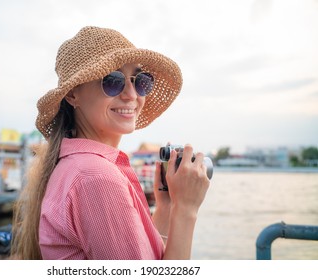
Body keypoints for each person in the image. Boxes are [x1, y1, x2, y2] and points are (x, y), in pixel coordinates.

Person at [11, 26, 210, 260]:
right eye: (113, 80)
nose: (131, 95)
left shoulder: (78, 167)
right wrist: (186, 210)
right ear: (73, 94)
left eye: (141, 81)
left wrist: (166, 207)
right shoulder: (96, 177)